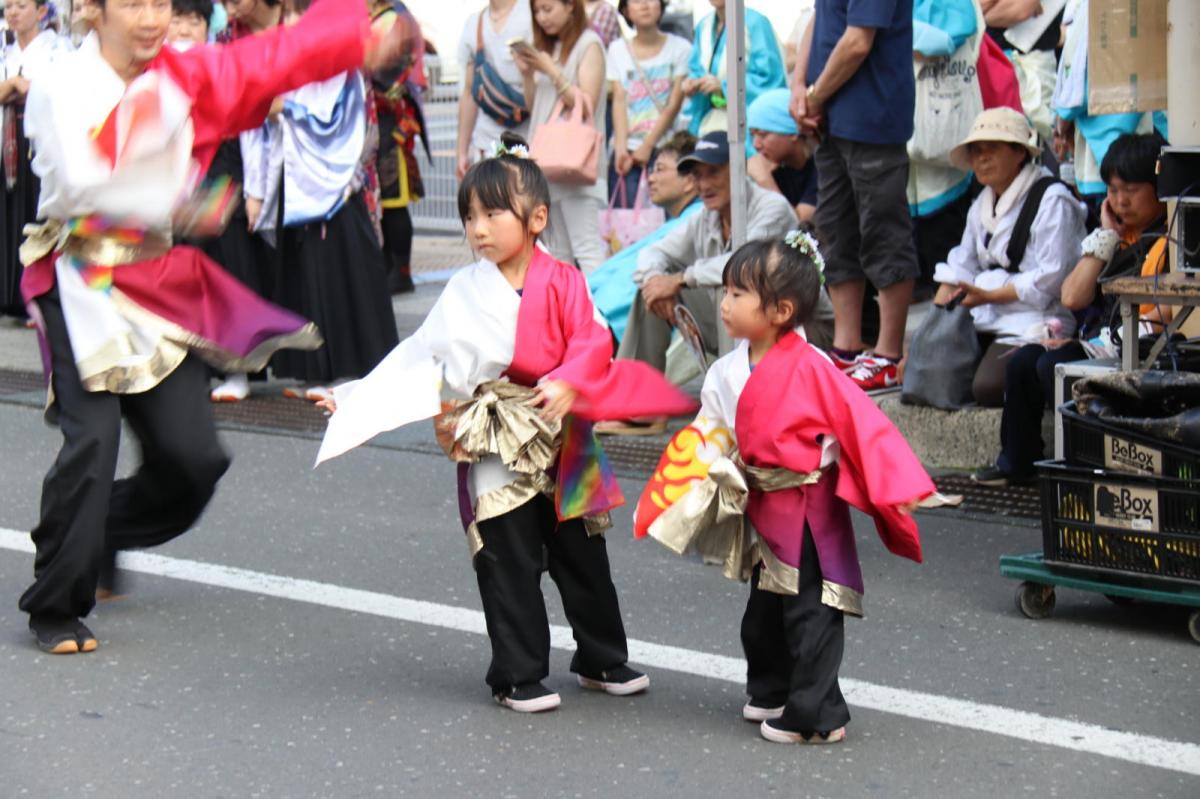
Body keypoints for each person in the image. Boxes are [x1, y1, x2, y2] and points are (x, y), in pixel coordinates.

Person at [16, 0, 415, 654]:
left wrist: (350, 37)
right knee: (94, 438)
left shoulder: (178, 76)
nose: (151, 18)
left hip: (154, 280)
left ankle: (94, 531)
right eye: (133, 4)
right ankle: (55, 602)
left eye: (160, 4)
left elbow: (261, 63)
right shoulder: (61, 84)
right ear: (92, 9)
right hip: (78, 276)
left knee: (194, 458)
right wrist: (180, 201)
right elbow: (84, 184)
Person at [315, 136, 696, 712]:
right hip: (495, 432)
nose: (479, 228)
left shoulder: (565, 279)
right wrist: (357, 399)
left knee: (583, 555)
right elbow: (421, 356)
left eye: (493, 213)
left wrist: (569, 379)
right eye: (470, 216)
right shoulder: (462, 290)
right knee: (508, 555)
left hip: (562, 430)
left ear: (537, 218)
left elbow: (594, 338)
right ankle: (516, 672)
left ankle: (600, 656)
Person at [634, 232, 933, 744]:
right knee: (764, 612)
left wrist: (895, 483)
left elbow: (862, 426)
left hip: (808, 505)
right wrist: (682, 482)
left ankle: (818, 715)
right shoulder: (728, 371)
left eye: (737, 294)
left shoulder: (816, 366)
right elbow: (711, 430)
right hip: (762, 503)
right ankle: (771, 689)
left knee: (811, 611)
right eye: (725, 292)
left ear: (781, 309)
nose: (724, 304)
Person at [973, 133, 1169, 485]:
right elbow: (1072, 298)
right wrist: (1104, 239)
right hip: (1102, 343)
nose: (1120, 201)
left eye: (1131, 190)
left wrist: (1097, 346)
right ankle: (1016, 463)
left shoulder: (1169, 239)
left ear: (1157, 187)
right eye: (1112, 190)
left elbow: (1163, 319)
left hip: (1136, 348)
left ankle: (1082, 466)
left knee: (1054, 365)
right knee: (1023, 362)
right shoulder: (1112, 236)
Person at [240, 0, 401, 403]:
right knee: (305, 270)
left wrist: (285, 107)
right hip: (295, 174)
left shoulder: (337, 56)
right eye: (290, 15)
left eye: (300, 14)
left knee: (342, 269)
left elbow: (336, 116)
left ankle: (354, 366)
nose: (293, 22)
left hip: (335, 177)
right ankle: (312, 366)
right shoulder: (289, 51)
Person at [617, 131, 832, 387]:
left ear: (738, 169)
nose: (704, 184)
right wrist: (656, 281)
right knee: (651, 290)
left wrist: (682, 279)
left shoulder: (772, 207)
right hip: (752, 326)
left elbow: (744, 267)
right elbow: (653, 252)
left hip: (804, 330)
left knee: (731, 284)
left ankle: (735, 390)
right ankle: (638, 402)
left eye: (713, 172)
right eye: (697, 175)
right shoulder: (705, 216)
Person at [792, 0, 921, 391]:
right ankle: (846, 348)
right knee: (835, 231)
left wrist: (813, 95)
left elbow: (858, 41)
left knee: (883, 230)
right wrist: (799, 84)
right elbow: (818, 18)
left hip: (872, 117)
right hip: (832, 120)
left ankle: (888, 353)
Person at [930, 108, 1087, 407]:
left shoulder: (1053, 200)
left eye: (992, 149)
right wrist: (932, 331)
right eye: (976, 152)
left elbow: (1053, 278)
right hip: (984, 316)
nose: (982, 158)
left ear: (1019, 153)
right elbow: (960, 266)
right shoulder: (980, 206)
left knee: (988, 388)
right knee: (934, 373)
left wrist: (988, 295)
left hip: (1035, 319)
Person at [512, 0, 608, 274]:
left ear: (570, 7)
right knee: (559, 252)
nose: (542, 18)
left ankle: (599, 314)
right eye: (537, 11)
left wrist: (550, 70)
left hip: (578, 162)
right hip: (549, 161)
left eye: (548, 9)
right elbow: (536, 107)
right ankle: (566, 314)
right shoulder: (547, 48)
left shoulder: (589, 44)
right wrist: (528, 75)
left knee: (587, 249)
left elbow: (585, 103)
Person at [588, 131, 699, 345]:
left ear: (690, 181)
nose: (651, 178)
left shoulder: (695, 220)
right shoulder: (686, 220)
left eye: (660, 169)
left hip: (608, 322)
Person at [0, 0, 62, 321]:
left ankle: (32, 296)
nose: (12, 13)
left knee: (34, 214)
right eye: (8, 7)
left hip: (39, 143)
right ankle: (7, 296)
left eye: (21, 6)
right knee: (7, 215)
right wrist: (11, 86)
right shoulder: (5, 52)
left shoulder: (56, 49)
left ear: (40, 12)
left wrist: (19, 89)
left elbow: (53, 91)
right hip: (8, 141)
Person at [369, 0, 428, 294]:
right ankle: (388, 268)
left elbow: (381, 69)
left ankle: (401, 270)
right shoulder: (381, 17)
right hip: (378, 122)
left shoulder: (393, 19)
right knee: (384, 202)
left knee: (394, 201)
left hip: (391, 123)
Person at [606, 0, 689, 208]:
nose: (644, 5)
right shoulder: (617, 50)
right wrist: (621, 148)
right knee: (628, 224)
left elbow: (674, 104)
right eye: (636, 1)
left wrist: (648, 145)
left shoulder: (680, 48)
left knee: (671, 217)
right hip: (628, 154)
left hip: (667, 149)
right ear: (625, 10)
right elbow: (618, 99)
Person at [683, 0, 785, 141]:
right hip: (710, 122)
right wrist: (693, 83)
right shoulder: (703, 26)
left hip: (749, 126)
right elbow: (696, 69)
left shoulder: (755, 23)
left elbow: (771, 79)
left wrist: (725, 86)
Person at [455, 0, 532, 179]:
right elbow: (469, 93)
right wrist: (462, 151)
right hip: (486, 146)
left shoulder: (531, 15)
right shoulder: (474, 23)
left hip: (529, 144)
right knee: (490, 205)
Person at [746, 88, 818, 223]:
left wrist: (765, 181)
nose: (756, 144)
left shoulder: (822, 169)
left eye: (762, 134)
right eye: (752, 135)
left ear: (793, 133)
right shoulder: (775, 168)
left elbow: (799, 231)